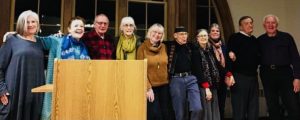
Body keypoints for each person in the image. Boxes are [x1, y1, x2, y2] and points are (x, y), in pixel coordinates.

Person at [40, 16, 90, 120]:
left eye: (82, 26)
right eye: (76, 25)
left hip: (77, 90)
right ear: (69, 29)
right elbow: (37, 40)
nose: (79, 28)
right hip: (59, 88)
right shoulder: (58, 41)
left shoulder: (83, 47)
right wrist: (15, 35)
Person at [0, 10, 45, 120]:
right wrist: (2, 90)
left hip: (35, 94)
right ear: (21, 24)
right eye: (27, 22)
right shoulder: (11, 40)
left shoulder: (40, 42)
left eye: (33, 21)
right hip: (15, 93)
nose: (31, 25)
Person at [258, 14, 300, 120]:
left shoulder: (287, 37)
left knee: (292, 104)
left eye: (273, 23)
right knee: (272, 106)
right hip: (267, 74)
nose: (271, 25)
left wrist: (297, 78)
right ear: (264, 25)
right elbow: (252, 57)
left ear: (277, 24)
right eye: (268, 23)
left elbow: (295, 58)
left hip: (285, 73)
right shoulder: (259, 40)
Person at [164, 26, 202, 120]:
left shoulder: (191, 46)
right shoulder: (169, 46)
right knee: (179, 112)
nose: (184, 36)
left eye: (185, 34)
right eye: (181, 34)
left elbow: (198, 63)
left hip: (191, 78)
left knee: (197, 108)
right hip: (176, 79)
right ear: (175, 35)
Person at [137, 23, 173, 120]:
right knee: (155, 114)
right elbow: (140, 69)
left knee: (166, 113)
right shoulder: (142, 48)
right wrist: (148, 88)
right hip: (151, 88)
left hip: (164, 86)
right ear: (149, 32)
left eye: (160, 33)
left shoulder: (164, 47)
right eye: (155, 32)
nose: (157, 35)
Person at [227, 16, 260, 120]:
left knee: (253, 108)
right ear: (240, 27)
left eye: (251, 23)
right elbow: (229, 56)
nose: (250, 25)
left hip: (253, 77)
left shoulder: (254, 39)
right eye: (246, 23)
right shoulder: (235, 37)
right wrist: (229, 74)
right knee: (239, 108)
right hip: (239, 77)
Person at [192, 29, 220, 120]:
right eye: (201, 36)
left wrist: (228, 74)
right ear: (197, 38)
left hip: (213, 84)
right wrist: (206, 88)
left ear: (208, 37)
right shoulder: (195, 52)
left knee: (214, 110)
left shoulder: (209, 50)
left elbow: (217, 65)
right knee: (206, 112)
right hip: (203, 86)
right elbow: (198, 72)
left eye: (205, 35)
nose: (203, 37)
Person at [208, 23, 231, 120]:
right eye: (212, 31)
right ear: (209, 34)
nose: (215, 32)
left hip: (222, 80)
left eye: (217, 31)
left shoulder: (224, 47)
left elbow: (228, 63)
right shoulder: (207, 47)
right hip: (211, 81)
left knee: (221, 105)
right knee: (211, 106)